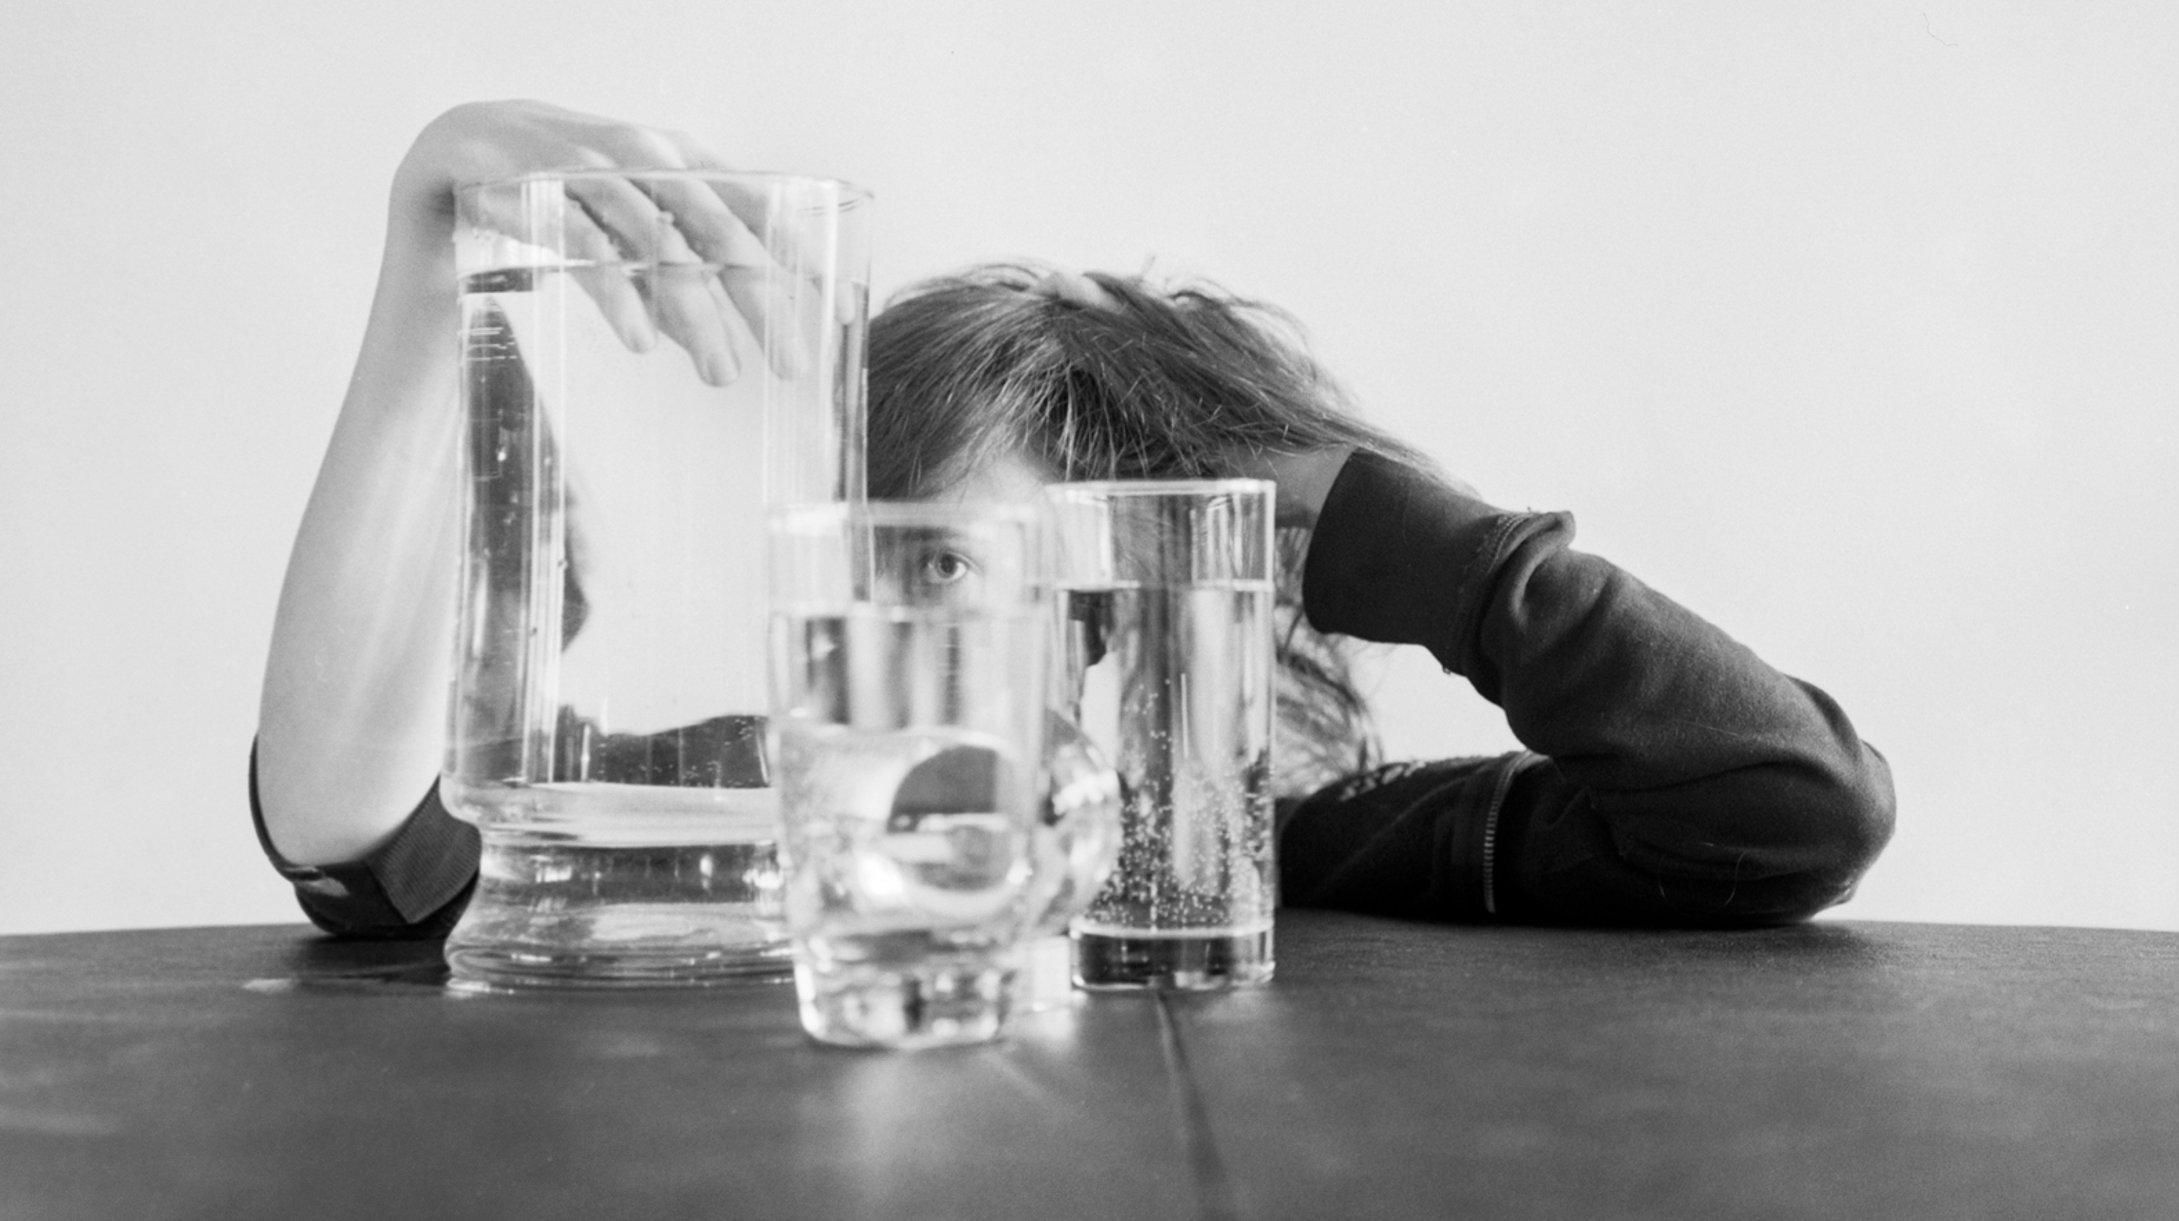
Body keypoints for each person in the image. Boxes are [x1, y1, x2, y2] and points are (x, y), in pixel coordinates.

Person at [253, 100, 1895, 938]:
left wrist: (1410, 544)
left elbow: (1792, 810)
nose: (934, 651)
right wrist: (427, 256)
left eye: (1029, 592)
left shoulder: (1270, 855)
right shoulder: (771, 811)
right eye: (898, 565)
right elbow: (372, 846)